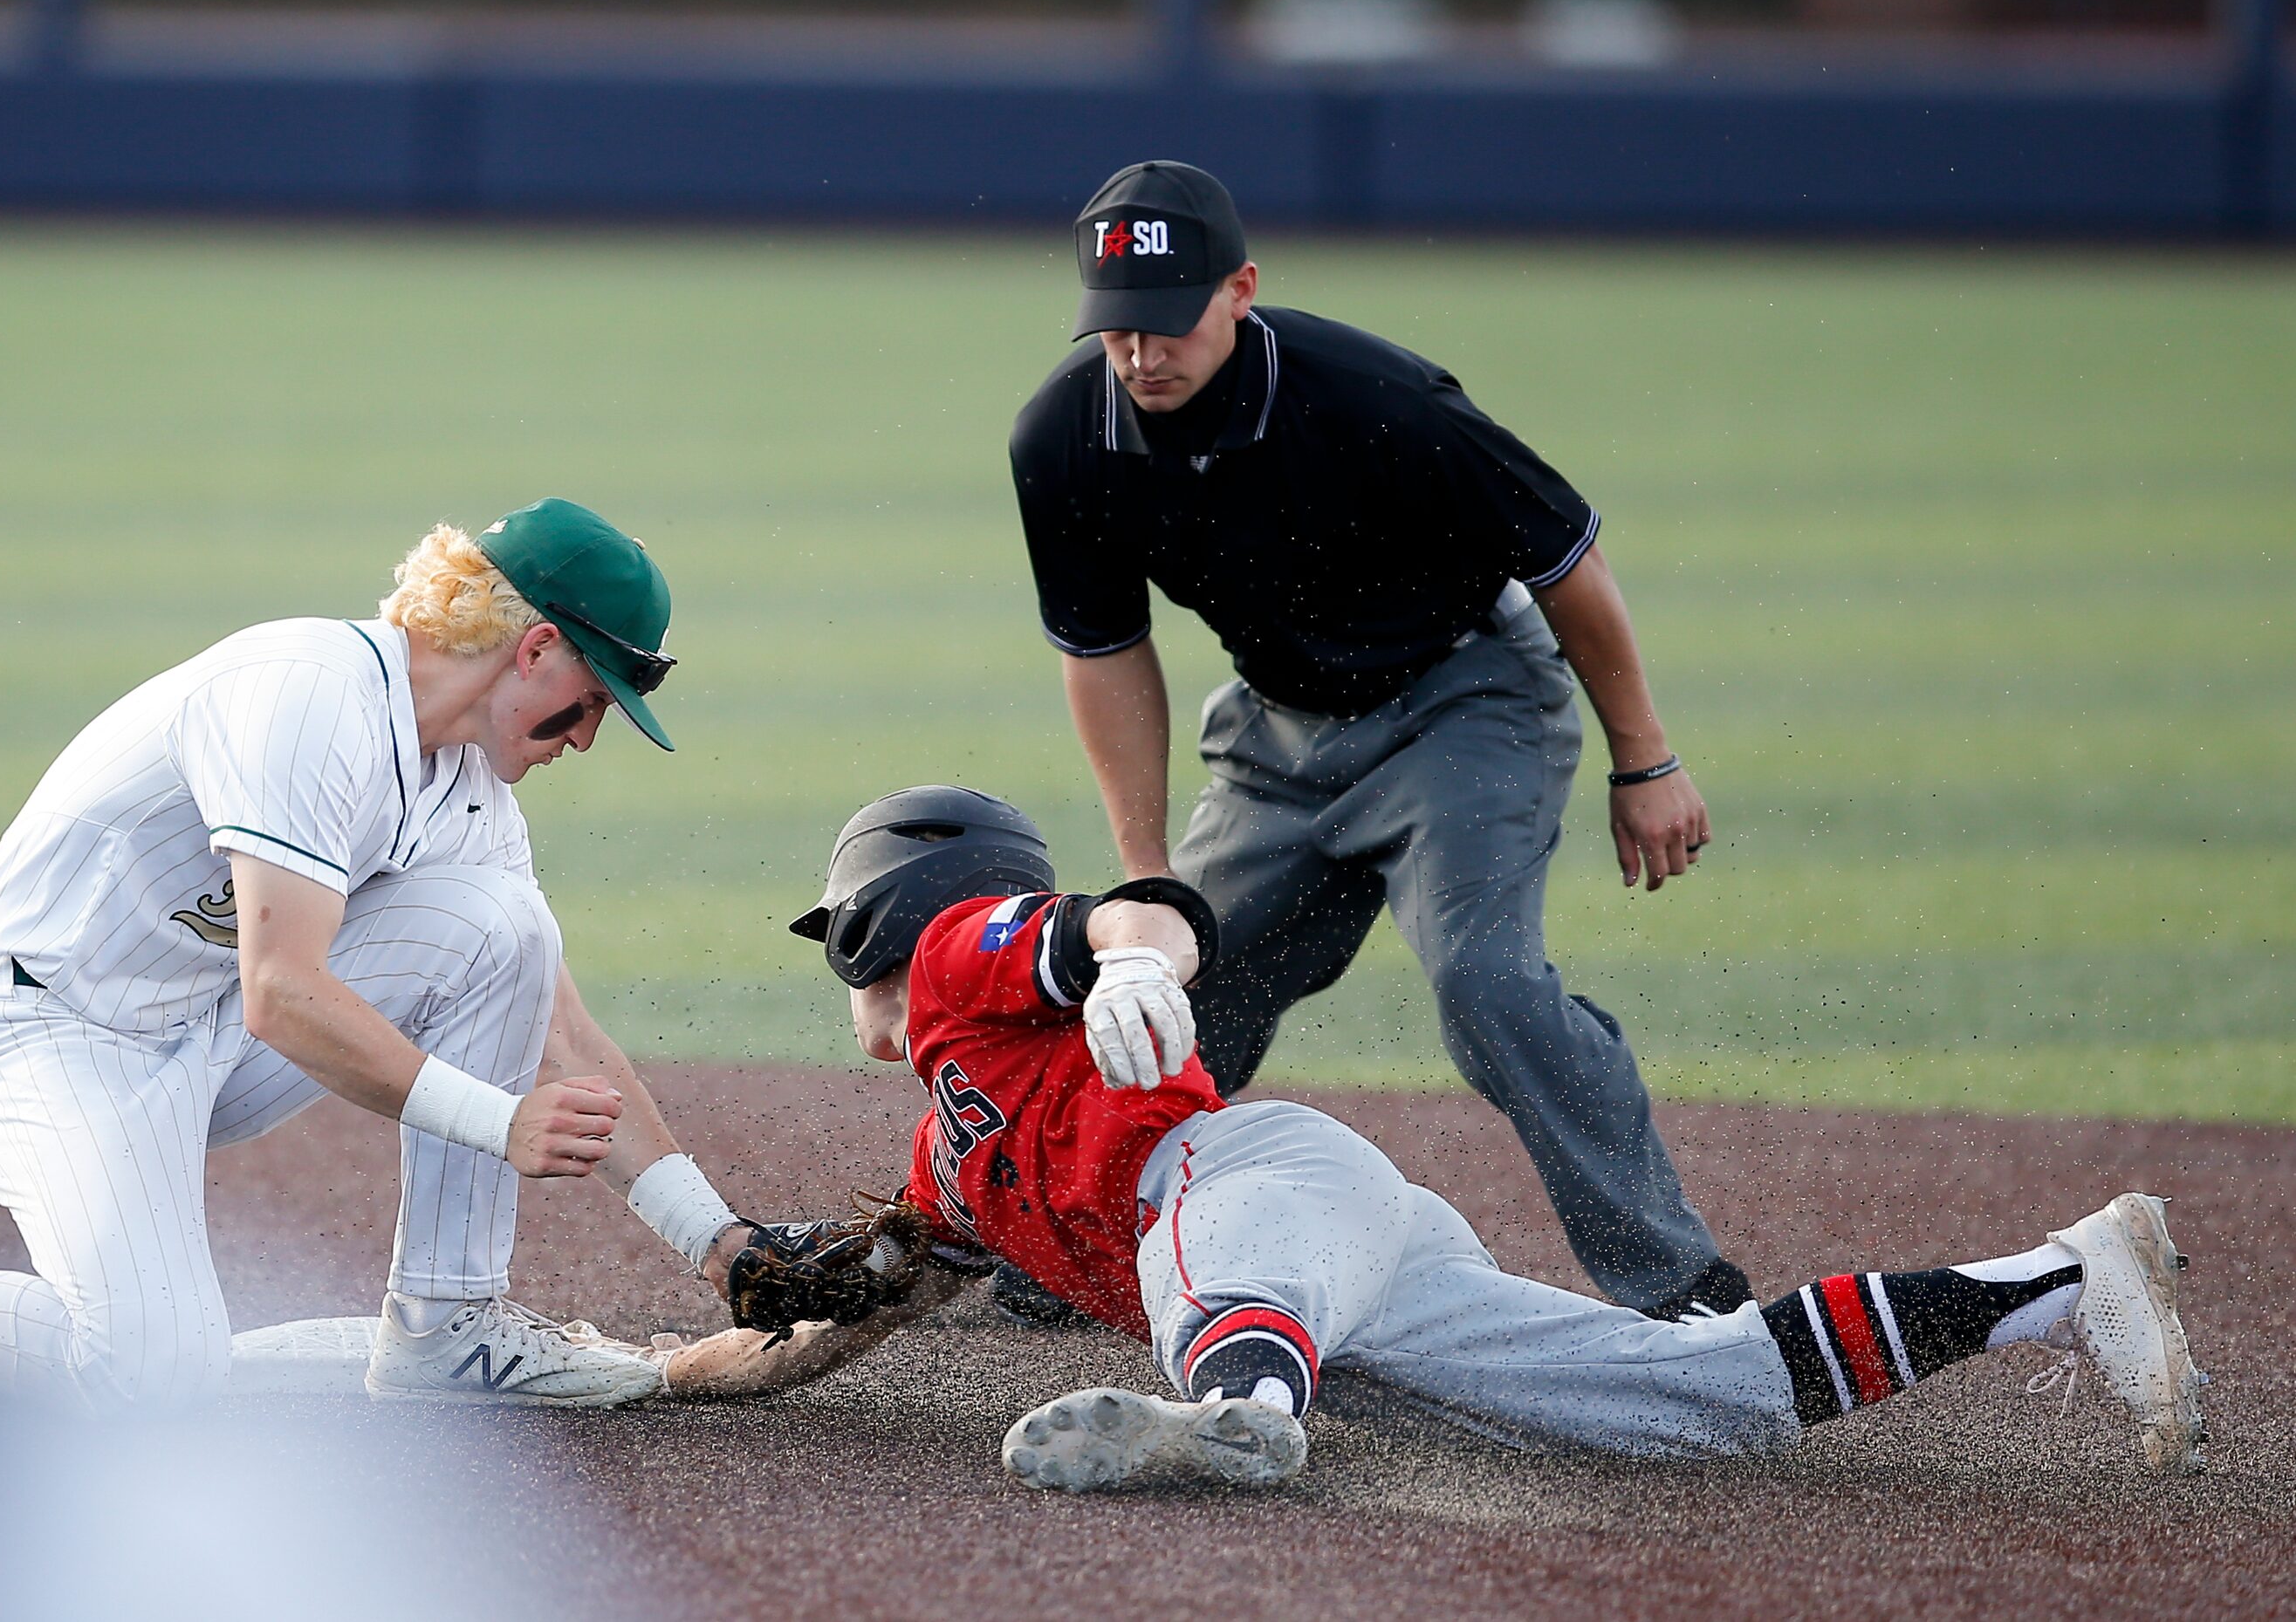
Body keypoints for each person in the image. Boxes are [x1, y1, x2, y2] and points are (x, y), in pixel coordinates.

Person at [774, 785, 2205, 1493]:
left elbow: (1121, 914)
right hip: (1351, 1268)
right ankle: (2072, 1274)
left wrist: (1141, 966)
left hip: (1255, 1182)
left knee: (1200, 1273)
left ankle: (1244, 1424)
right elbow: (861, 1300)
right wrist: (663, 1370)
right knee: (1692, 1404)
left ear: (882, 912)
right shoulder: (948, 1158)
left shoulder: (964, 952)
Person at [0, 500, 751, 1412]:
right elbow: (282, 994)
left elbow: (561, 1034)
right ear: (532, 650)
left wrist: (722, 1246)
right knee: (150, 1373)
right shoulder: (307, 695)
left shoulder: (465, 782)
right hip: (43, 1037)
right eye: (596, 697)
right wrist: (500, 1121)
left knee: (507, 928)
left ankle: (451, 1328)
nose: (587, 735)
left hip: (194, 1035)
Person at [1009, 159, 1745, 1320]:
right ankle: (1073, 1247)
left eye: (1166, 322)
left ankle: (1678, 1283)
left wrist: (1642, 758)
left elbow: (1563, 560)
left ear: (1238, 289)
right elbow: (1103, 653)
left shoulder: (1368, 397)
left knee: (1486, 984)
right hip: (1275, 733)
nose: (1141, 355)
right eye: (1115, 331)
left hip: (1461, 700)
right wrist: (1145, 881)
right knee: (1169, 979)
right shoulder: (1065, 436)